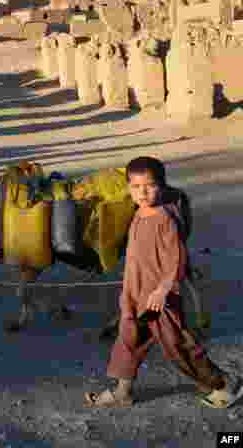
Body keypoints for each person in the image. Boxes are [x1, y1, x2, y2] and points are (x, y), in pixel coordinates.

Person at [85, 156, 241, 409]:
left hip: (159, 300)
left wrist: (162, 289)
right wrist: (127, 293)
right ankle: (122, 392)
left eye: (150, 185)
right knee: (129, 341)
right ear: (128, 188)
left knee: (178, 345)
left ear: (162, 185)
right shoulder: (138, 214)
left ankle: (224, 384)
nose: (143, 192)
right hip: (135, 295)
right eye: (136, 187)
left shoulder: (164, 219)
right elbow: (136, 258)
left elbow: (176, 259)